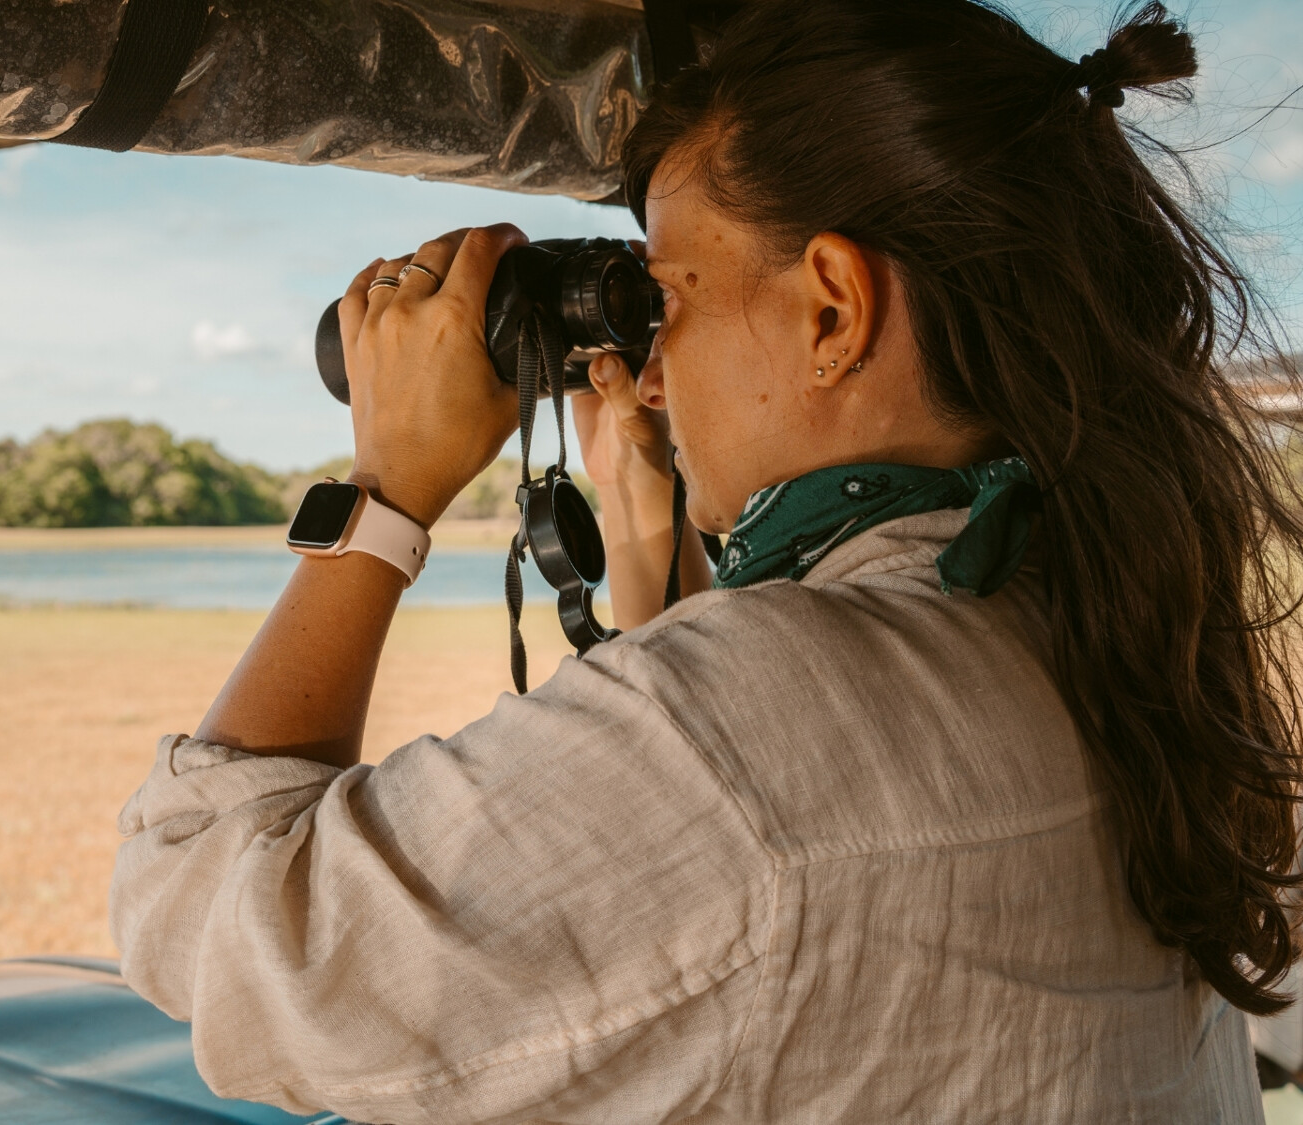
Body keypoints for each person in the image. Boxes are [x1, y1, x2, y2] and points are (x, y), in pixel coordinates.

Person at [109, 0, 1303, 1119]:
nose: (655, 362)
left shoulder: (758, 712)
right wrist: (644, 525)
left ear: (832, 309)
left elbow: (207, 916)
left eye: (670, 294)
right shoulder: (1102, 620)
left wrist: (384, 493)